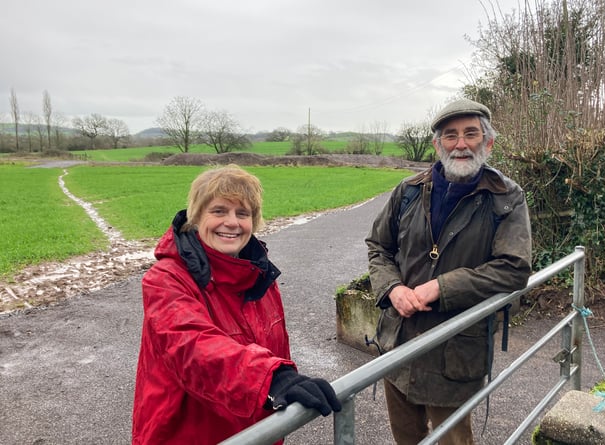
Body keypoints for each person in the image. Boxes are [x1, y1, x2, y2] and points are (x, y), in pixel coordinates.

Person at [132, 164, 341, 445]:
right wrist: (271, 379)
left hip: (256, 433)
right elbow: (191, 346)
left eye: (242, 213)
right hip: (187, 435)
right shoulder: (166, 280)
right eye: (218, 211)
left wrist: (276, 385)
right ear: (196, 217)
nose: (232, 222)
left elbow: (274, 350)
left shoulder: (259, 277)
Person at [366, 98, 532, 445]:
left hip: (455, 352)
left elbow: (514, 268)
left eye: (470, 133)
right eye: (450, 135)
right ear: (436, 144)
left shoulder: (506, 197)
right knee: (406, 438)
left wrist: (441, 287)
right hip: (400, 343)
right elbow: (378, 247)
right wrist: (393, 288)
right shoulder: (408, 191)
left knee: (453, 440)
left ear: (488, 142)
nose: (460, 143)